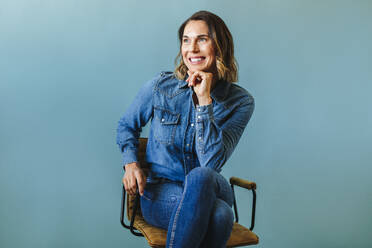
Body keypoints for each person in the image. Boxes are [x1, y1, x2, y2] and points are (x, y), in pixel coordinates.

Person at [116, 10, 254, 248]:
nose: (192, 49)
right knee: (220, 216)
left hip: (212, 187)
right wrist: (130, 164)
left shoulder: (240, 102)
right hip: (161, 191)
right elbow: (127, 125)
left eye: (202, 39)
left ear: (220, 46)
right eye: (186, 40)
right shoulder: (161, 87)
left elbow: (211, 164)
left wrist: (204, 102)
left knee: (201, 175)